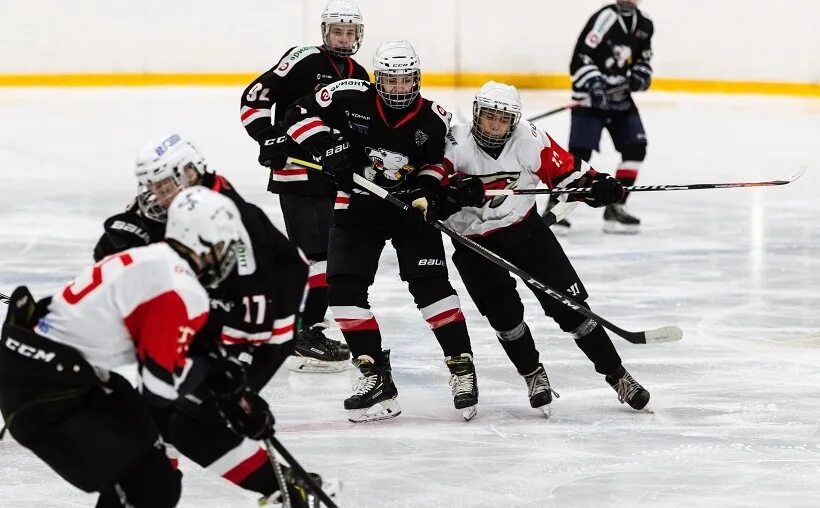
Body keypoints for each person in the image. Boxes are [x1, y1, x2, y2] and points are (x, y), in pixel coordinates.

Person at [94, 135, 323, 505]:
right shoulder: (179, 200)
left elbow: (254, 315)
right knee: (154, 413)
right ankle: (139, 494)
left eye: (163, 186)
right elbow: (128, 231)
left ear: (189, 174)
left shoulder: (232, 220)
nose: (155, 195)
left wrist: (232, 380)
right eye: (150, 186)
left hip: (264, 329)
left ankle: (288, 490)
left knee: (190, 418)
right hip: (209, 316)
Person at [0, 188, 252, 507]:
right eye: (220, 243)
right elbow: (159, 387)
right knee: (152, 484)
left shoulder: (153, 256)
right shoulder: (181, 287)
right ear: (200, 241)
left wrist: (208, 365)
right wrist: (213, 372)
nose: (226, 254)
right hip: (46, 388)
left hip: (39, 369)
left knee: (145, 471)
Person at [283, 40, 478, 422]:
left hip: (409, 211)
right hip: (357, 206)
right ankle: (374, 376)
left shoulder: (434, 118)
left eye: (407, 81)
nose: (399, 89)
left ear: (417, 80)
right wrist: (328, 147)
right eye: (391, 81)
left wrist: (427, 190)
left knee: (432, 289)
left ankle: (462, 369)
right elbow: (296, 113)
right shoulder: (347, 96)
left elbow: (439, 162)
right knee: (342, 292)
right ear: (378, 80)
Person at [438, 81, 651, 414]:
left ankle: (618, 376)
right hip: (474, 245)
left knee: (573, 309)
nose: (495, 125)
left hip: (526, 233)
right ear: (477, 114)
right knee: (505, 319)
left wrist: (597, 187)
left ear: (514, 120)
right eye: (489, 116)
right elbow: (430, 192)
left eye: (503, 118)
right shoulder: (453, 144)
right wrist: (451, 193)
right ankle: (533, 375)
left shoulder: (528, 138)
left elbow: (567, 172)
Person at [239, 0, 370, 371]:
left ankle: (305, 328)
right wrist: (269, 137)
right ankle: (301, 332)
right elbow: (254, 100)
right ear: (324, 32)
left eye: (349, 32)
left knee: (330, 256)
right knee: (317, 256)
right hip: (297, 174)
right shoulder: (303, 60)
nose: (342, 38)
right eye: (336, 31)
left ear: (358, 35)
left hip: (333, 177)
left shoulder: (359, 72)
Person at [545, 0, 654, 234]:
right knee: (579, 155)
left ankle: (616, 206)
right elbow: (580, 57)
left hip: (619, 99)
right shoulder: (605, 18)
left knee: (636, 148)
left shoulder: (644, 24)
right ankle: (556, 206)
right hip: (590, 99)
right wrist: (594, 83)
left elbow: (643, 60)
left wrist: (640, 76)